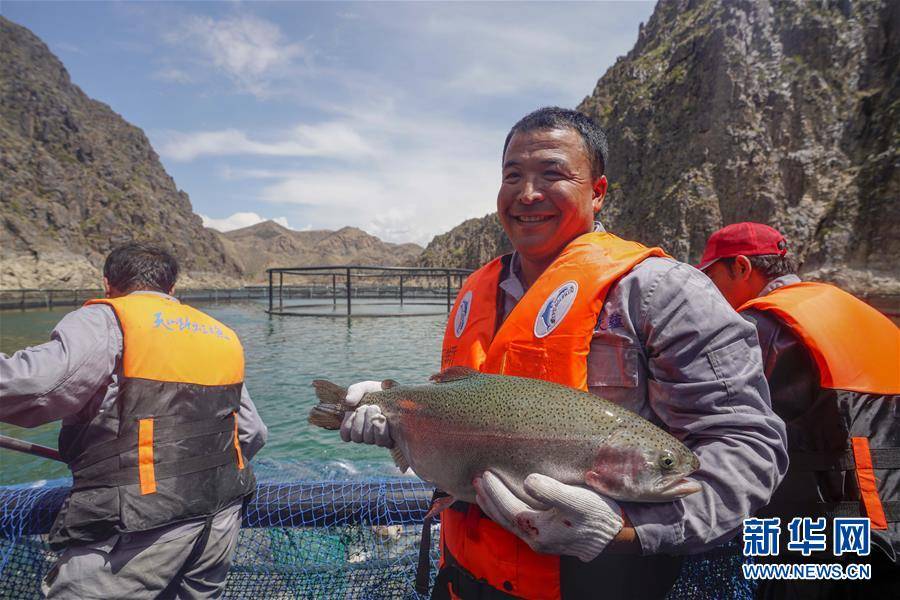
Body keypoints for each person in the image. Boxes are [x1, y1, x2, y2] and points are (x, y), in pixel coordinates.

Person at [340, 107, 788, 599]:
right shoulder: (476, 291)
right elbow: (457, 404)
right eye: (513, 175)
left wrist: (623, 530)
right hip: (464, 577)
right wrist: (401, 423)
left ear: (597, 191)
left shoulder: (667, 292)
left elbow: (747, 446)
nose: (527, 193)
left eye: (552, 174)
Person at [0, 242, 267, 599]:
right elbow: (251, 432)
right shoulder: (221, 336)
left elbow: (32, 386)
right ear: (171, 289)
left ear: (108, 284)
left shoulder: (107, 319)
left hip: (135, 529)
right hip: (219, 526)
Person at [698, 222, 900, 598]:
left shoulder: (760, 326)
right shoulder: (856, 309)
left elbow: (721, 423)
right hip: (887, 518)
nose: (708, 293)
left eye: (710, 278)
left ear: (741, 267)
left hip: (819, 534)